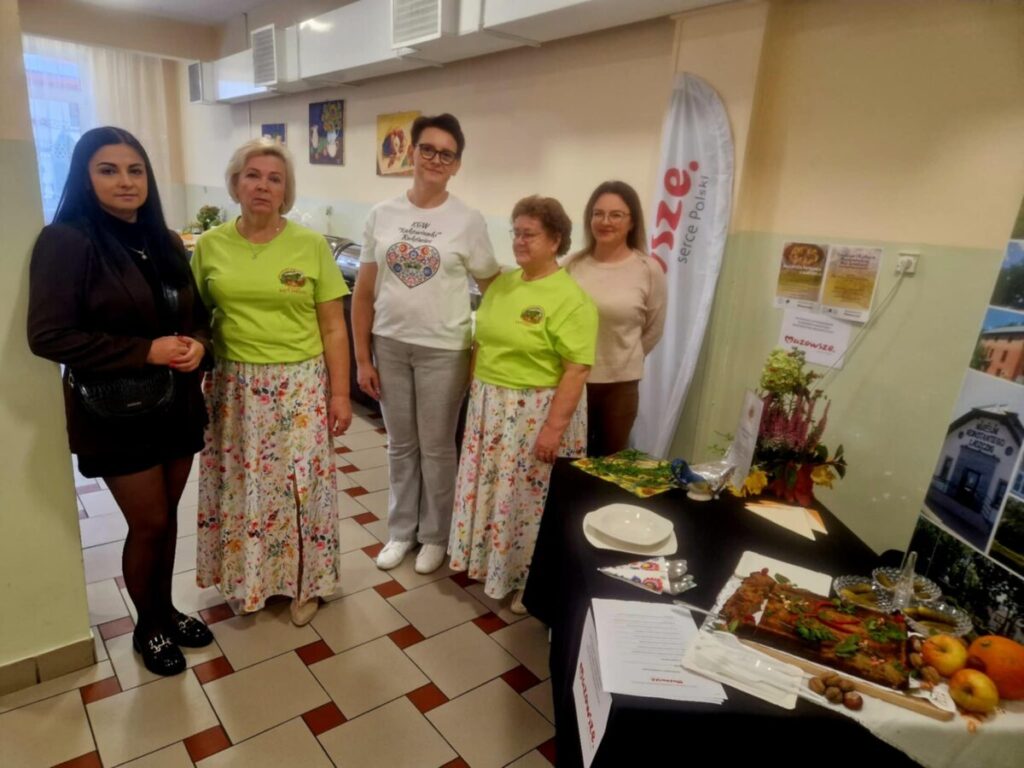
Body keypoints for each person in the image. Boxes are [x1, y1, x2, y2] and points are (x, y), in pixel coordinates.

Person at [28, 126, 213, 676]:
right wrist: (145, 351)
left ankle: (167, 609)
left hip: (177, 402)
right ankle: (148, 626)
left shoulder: (165, 240)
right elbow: (49, 336)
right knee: (149, 521)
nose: (125, 181)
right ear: (85, 177)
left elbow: (197, 315)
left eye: (135, 170)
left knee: (167, 518)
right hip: (116, 411)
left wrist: (198, 346)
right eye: (108, 170)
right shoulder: (66, 241)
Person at [190, 138, 352, 626]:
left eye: (274, 178)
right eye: (253, 175)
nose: (263, 186)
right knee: (244, 485)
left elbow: (333, 327)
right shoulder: (211, 245)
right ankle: (248, 579)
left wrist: (340, 393)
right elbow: (196, 319)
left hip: (299, 385)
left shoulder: (310, 245)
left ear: (286, 190)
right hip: (234, 386)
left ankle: (308, 584)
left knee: (302, 487)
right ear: (235, 184)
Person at [352, 113, 500, 574]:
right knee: (400, 444)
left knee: (436, 447)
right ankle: (401, 531)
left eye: (447, 154)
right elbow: (363, 293)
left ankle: (436, 535)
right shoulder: (382, 214)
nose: (436, 159)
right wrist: (362, 358)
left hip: (444, 350)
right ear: (411, 154)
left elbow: (494, 290)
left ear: (457, 165)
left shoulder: (468, 220)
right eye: (428, 150)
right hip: (390, 345)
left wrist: (484, 349)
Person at [448, 195, 597, 613]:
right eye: (516, 233)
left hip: (535, 412)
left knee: (527, 501)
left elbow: (577, 369)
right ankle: (492, 564)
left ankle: (529, 580)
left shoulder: (571, 298)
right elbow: (482, 341)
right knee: (496, 492)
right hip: (491, 406)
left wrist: (552, 430)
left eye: (529, 234)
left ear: (555, 240)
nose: (519, 241)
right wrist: (473, 395)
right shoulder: (503, 284)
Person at [564, 181, 666, 456]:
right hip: (571, 382)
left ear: (632, 222)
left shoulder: (648, 269)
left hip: (619, 389)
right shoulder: (572, 266)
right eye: (598, 214)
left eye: (616, 215)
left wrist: (624, 358)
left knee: (609, 466)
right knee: (568, 464)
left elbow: (654, 329)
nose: (605, 221)